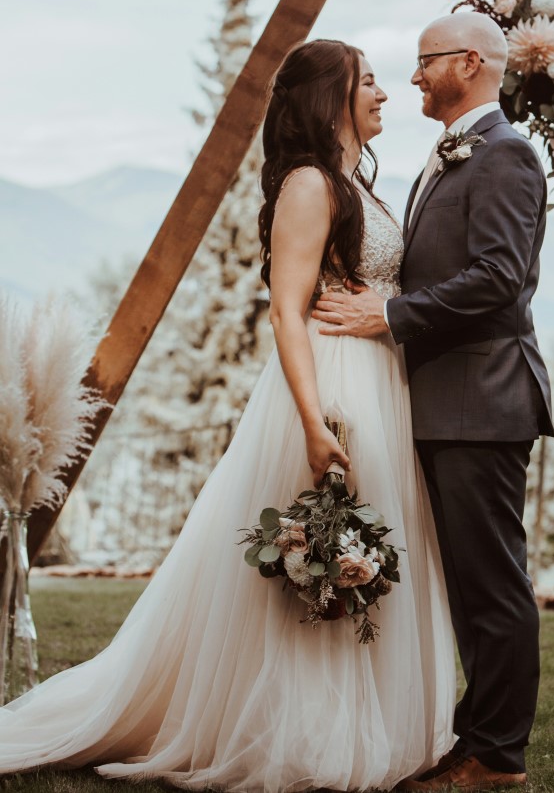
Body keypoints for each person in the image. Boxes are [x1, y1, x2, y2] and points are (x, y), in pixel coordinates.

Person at [0, 39, 456, 791]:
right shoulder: (311, 184)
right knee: (319, 548)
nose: (384, 92)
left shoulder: (357, 183)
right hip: (331, 382)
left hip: (379, 376)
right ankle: (304, 729)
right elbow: (285, 310)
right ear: (329, 97)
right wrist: (314, 421)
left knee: (364, 548)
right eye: (368, 81)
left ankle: (368, 718)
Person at [313, 11, 554, 791]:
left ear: (473, 62)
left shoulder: (506, 156)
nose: (413, 76)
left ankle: (495, 756)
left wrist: (387, 317)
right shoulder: (454, 155)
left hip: (481, 399)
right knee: (468, 583)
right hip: (442, 399)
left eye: (425, 61)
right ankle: (476, 736)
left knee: (490, 583)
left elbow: (498, 278)